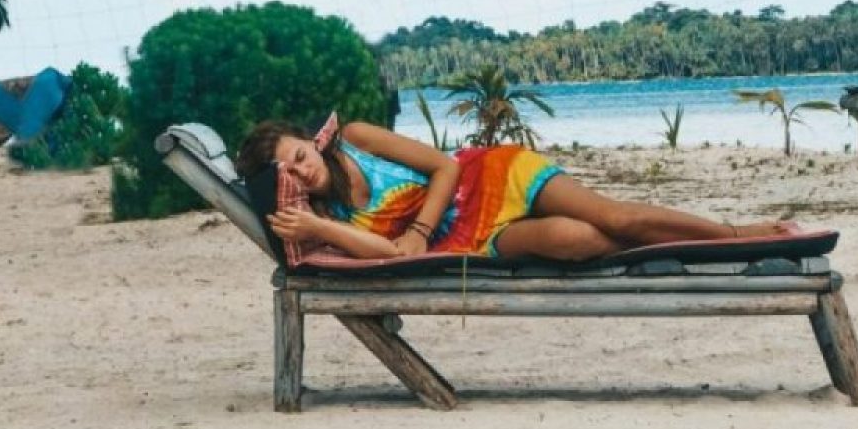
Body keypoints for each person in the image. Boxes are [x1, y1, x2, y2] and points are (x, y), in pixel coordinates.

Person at [235, 117, 794, 262]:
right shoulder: (324, 219)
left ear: (313, 141)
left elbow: (444, 167)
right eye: (291, 172)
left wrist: (422, 228)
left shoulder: (356, 139)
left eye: (301, 155)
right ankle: (684, 246)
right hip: (471, 241)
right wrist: (314, 225)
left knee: (614, 219)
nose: (303, 170)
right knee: (576, 240)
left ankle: (736, 235)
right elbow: (385, 252)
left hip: (491, 177)